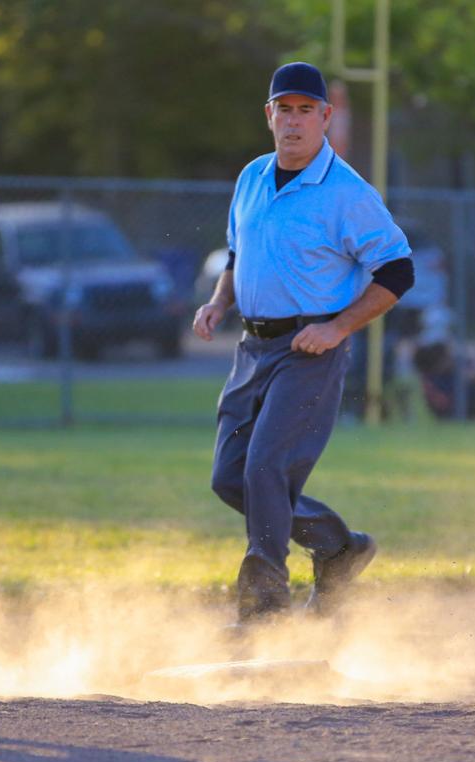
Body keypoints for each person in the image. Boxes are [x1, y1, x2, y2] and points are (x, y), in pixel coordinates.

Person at [193, 62, 414, 622]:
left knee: (267, 465)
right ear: (269, 116)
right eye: (283, 110)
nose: (293, 122)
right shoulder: (251, 178)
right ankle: (339, 548)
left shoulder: (346, 193)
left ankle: (264, 601)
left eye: (305, 110)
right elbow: (241, 254)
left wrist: (338, 327)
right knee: (230, 477)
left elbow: (397, 271)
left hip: (309, 350)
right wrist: (221, 301)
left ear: (325, 117)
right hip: (252, 348)